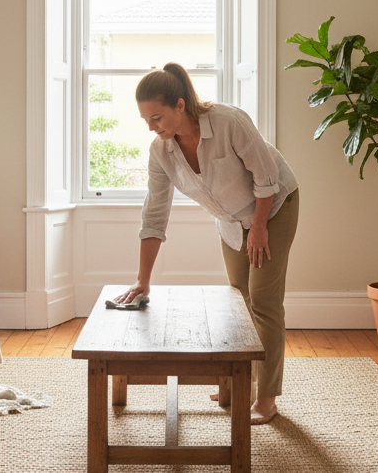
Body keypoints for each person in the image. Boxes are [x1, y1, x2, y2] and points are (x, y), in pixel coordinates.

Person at [114, 62, 300, 425]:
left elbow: (267, 178)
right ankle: (240, 384)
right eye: (146, 121)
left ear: (180, 105)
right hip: (232, 220)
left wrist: (260, 227)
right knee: (238, 300)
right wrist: (143, 280)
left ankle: (266, 398)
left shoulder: (230, 121)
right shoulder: (161, 152)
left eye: (156, 118)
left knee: (262, 300)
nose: (151, 128)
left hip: (274, 206)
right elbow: (154, 216)